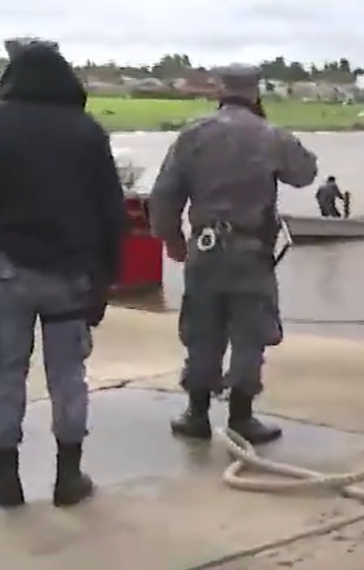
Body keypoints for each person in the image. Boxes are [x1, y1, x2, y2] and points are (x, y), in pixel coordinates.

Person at [0, 43, 126, 509]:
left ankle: (6, 479)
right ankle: (69, 477)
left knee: (4, 373)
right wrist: (105, 281)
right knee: (68, 375)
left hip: (6, 272)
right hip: (70, 275)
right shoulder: (88, 132)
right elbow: (110, 213)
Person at [149, 64, 318, 448]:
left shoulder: (193, 134)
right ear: (255, 91)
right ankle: (242, 415)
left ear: (219, 91)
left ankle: (196, 413)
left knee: (202, 328)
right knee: (249, 332)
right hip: (250, 250)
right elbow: (305, 172)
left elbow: (164, 194)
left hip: (204, 248)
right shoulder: (270, 135)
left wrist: (171, 239)